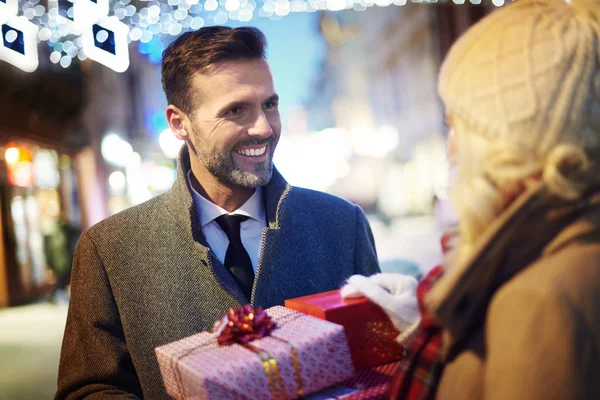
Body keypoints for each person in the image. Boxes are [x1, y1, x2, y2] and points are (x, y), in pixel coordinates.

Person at [56, 26, 380, 399]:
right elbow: (89, 390)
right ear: (180, 123)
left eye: (269, 105)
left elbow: (382, 359)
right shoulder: (109, 250)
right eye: (235, 110)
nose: (263, 127)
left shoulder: (342, 224)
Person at [387, 0, 600, 398]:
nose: (452, 150)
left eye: (458, 125)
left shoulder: (536, 299)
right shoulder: (566, 240)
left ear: (505, 134)